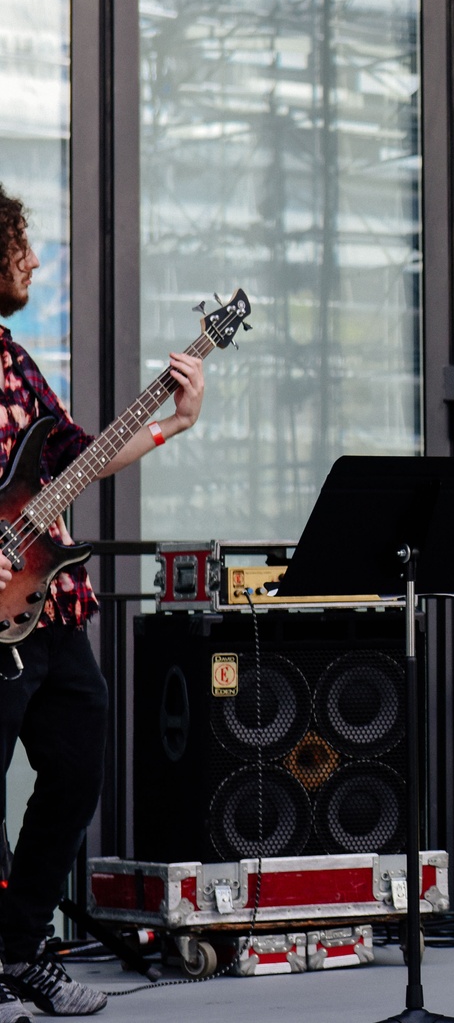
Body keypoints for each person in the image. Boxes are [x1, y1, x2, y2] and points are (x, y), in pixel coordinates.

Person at [0, 186, 206, 1019]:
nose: (36, 260)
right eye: (22, 245)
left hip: (44, 604)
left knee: (79, 768)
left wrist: (172, 421)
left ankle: (18, 949)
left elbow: (74, 459)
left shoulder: (13, 358)